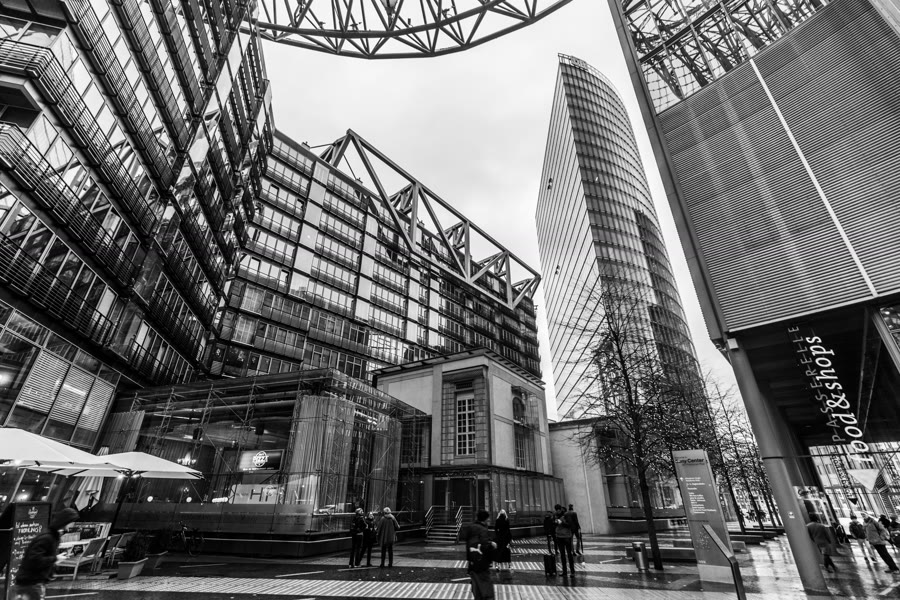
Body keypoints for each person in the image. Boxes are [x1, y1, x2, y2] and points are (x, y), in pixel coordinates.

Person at [14, 508, 80, 600]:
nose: (72, 524)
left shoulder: (52, 536)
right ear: (65, 522)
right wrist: (55, 559)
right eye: (71, 522)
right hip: (30, 583)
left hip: (33, 582)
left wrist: (54, 562)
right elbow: (34, 559)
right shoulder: (47, 538)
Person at [459, 509, 496, 600]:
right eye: (488, 519)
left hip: (472, 562)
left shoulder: (470, 527)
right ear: (485, 519)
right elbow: (484, 546)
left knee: (476, 587)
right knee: (486, 588)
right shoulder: (483, 529)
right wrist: (492, 545)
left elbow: (469, 543)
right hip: (481, 562)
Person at [554, 505, 576, 577]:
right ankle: (564, 571)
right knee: (562, 555)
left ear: (561, 509)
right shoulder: (556, 516)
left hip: (567, 536)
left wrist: (562, 522)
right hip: (559, 536)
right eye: (556, 509)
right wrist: (555, 522)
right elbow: (554, 525)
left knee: (569, 554)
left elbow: (569, 525)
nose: (557, 511)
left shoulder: (566, 515)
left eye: (558, 509)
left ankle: (572, 571)